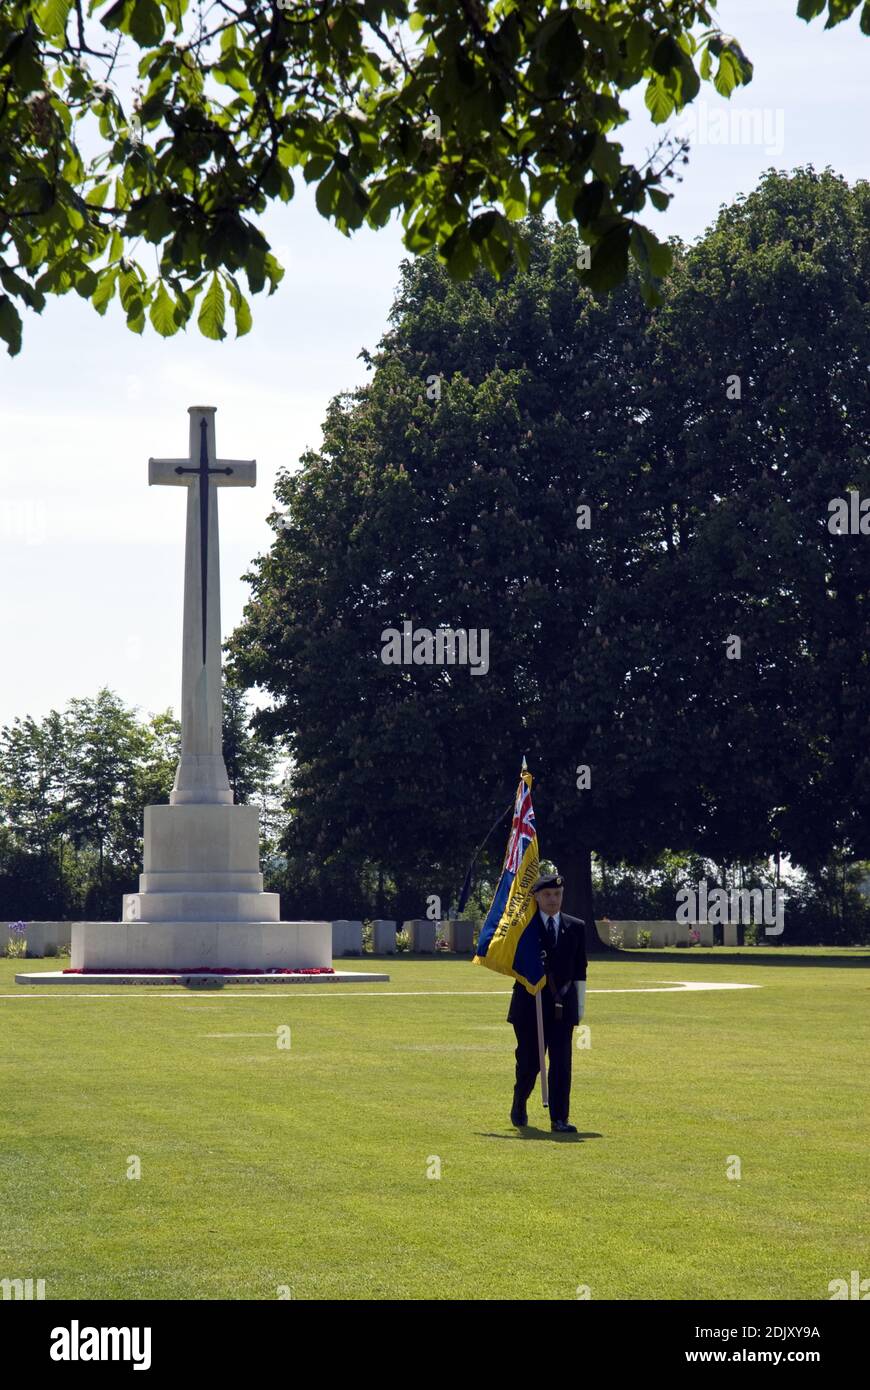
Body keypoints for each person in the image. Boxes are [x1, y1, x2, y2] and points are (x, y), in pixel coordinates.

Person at [507, 871, 587, 1133]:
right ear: (537, 897)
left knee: (562, 1062)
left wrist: (580, 1007)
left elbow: (580, 970)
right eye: (547, 894)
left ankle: (559, 1118)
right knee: (530, 1062)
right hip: (530, 1005)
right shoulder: (525, 928)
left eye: (558, 894)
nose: (553, 899)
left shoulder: (576, 927)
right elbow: (512, 961)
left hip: (562, 1007)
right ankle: (520, 1100)